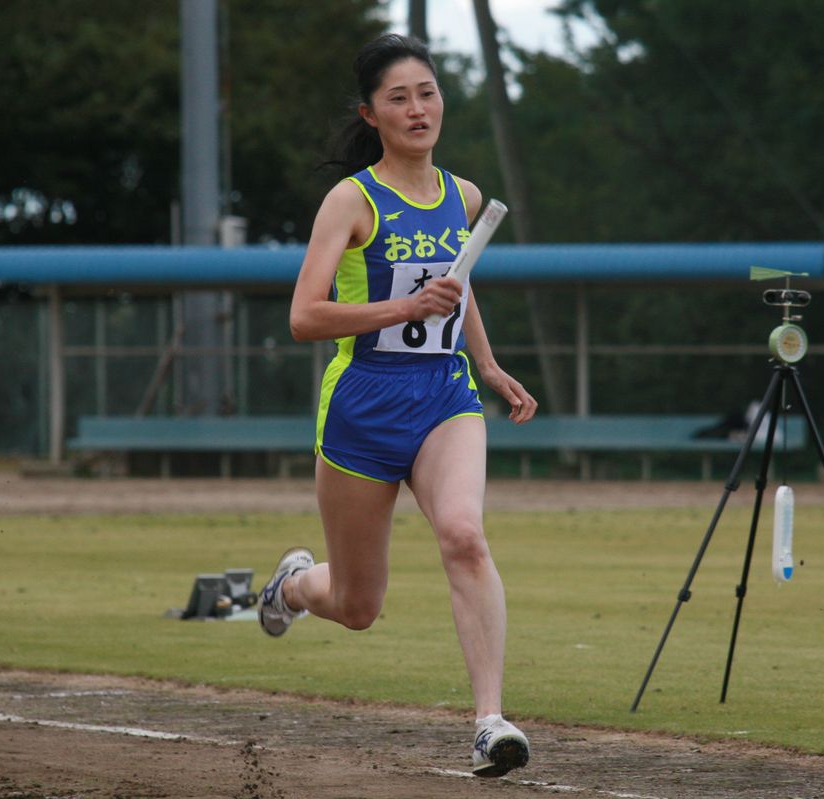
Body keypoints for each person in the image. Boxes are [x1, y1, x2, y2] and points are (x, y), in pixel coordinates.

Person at [256, 34, 538, 778]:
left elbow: (459, 286)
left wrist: (486, 362)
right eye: (399, 98)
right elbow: (305, 317)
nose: (418, 109)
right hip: (361, 406)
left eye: (428, 92)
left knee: (463, 535)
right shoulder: (351, 201)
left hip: (444, 396)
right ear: (371, 113)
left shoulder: (465, 195)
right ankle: (290, 585)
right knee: (356, 604)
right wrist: (399, 306)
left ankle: (490, 722)